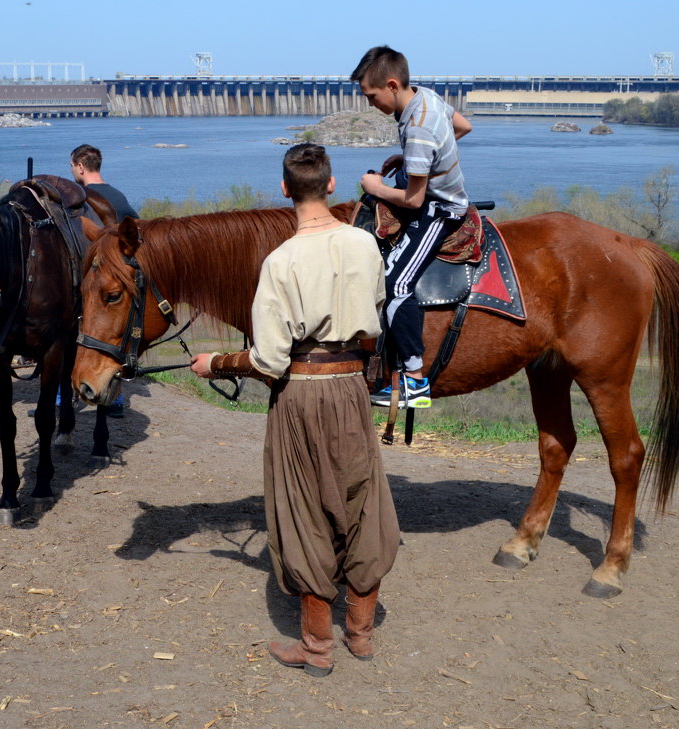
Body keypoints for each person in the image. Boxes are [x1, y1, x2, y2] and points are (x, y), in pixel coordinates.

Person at [190, 143, 400, 677]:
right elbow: (375, 319)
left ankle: (317, 648)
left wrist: (216, 362)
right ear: (331, 186)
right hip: (353, 389)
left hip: (301, 395)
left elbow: (268, 359)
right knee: (362, 503)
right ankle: (361, 635)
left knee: (302, 511)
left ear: (285, 190)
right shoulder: (364, 245)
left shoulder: (279, 262)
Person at [351, 45, 473, 409]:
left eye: (372, 97)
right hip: (429, 190)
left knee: (395, 282)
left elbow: (415, 200)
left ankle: (415, 381)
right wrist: (412, 159)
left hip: (439, 208)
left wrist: (375, 187)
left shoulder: (417, 127)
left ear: (391, 85)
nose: (371, 105)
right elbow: (463, 126)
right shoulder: (426, 97)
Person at [71, 143, 137, 418]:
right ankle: (116, 400)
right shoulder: (119, 198)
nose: (72, 171)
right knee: (113, 338)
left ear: (81, 167)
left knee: (77, 338)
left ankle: (65, 401)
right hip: (115, 282)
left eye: (72, 166)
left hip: (89, 281)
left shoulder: (79, 200)